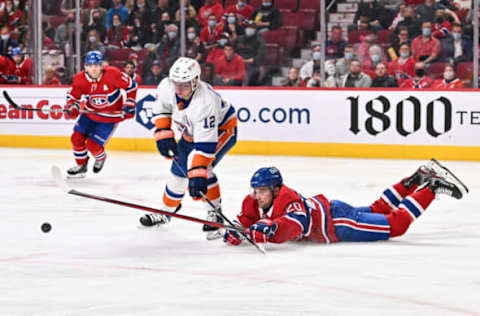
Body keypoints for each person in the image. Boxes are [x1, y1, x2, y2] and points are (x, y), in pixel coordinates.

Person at [223, 163, 467, 247]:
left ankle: (431, 187)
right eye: (256, 190)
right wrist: (237, 231)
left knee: (397, 225)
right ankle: (416, 178)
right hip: (332, 211)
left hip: (338, 224)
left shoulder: (288, 198)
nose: (258, 196)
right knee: (378, 209)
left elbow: (294, 226)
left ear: (276, 189)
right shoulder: (253, 200)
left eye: (263, 191)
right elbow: (248, 220)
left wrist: (271, 230)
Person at [140, 57, 238, 240]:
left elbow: (205, 147)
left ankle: (215, 216)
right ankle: (166, 212)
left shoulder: (205, 102)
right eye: (176, 83)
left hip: (222, 131)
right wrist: (163, 133)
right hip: (189, 134)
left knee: (202, 169)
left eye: (183, 84)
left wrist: (198, 173)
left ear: (195, 81)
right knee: (178, 173)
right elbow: (162, 107)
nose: (178, 89)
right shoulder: (167, 86)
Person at [65, 51, 138, 177]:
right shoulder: (79, 79)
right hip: (89, 114)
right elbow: (72, 96)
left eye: (97, 65)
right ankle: (81, 165)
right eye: (90, 65)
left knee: (93, 146)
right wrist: (72, 106)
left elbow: (132, 86)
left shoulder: (112, 74)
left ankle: (100, 158)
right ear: (85, 66)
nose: (93, 68)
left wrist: (130, 103)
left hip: (109, 118)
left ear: (101, 65)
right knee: (76, 138)